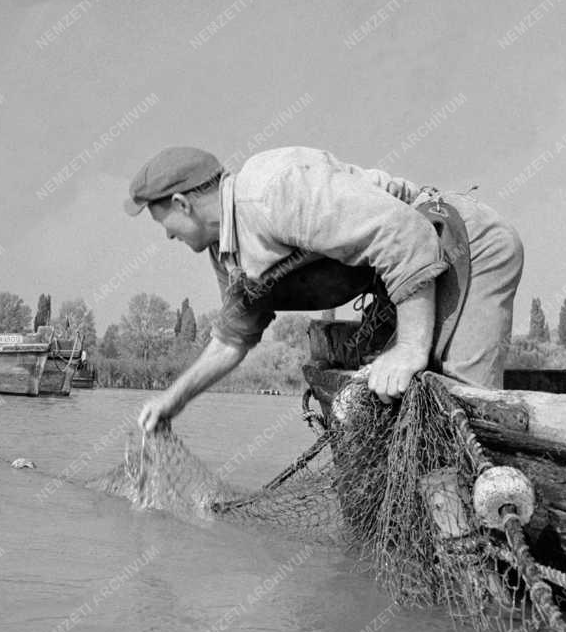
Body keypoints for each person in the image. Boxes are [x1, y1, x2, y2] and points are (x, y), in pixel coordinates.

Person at [126, 146, 523, 433]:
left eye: (164, 223)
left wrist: (409, 350)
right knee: (402, 407)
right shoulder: (226, 250)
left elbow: (407, 234)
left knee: (465, 415)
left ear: (182, 204)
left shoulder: (273, 192)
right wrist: (172, 400)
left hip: (466, 246)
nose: (166, 236)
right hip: (417, 272)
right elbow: (232, 339)